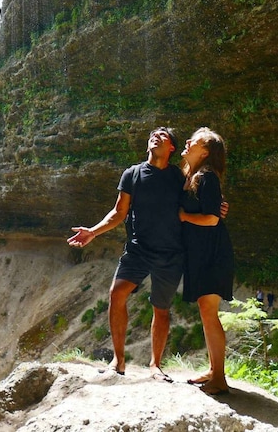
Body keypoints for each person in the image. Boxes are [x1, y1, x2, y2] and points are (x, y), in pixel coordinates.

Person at [68, 127, 185, 382]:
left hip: (170, 252)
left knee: (161, 308)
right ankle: (118, 361)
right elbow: (119, 212)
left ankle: (155, 366)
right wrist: (93, 232)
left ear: (172, 148)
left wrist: (216, 207)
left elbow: (196, 197)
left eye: (162, 136)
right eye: (153, 134)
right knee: (116, 293)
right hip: (138, 249)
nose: (156, 136)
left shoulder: (178, 176)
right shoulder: (132, 174)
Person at [179, 127, 234, 396]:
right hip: (201, 254)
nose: (188, 142)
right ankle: (214, 371)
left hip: (213, 254)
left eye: (195, 141)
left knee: (209, 312)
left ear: (206, 152)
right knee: (206, 311)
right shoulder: (191, 176)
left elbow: (212, 218)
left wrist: (183, 217)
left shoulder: (207, 177)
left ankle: (220, 378)